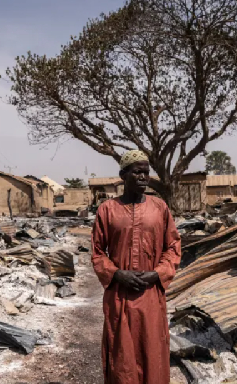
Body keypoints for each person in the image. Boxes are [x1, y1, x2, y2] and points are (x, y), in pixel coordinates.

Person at [91, 150, 181, 384]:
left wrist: (157, 273)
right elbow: (98, 252)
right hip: (119, 297)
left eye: (146, 172)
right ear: (123, 175)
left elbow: (172, 247)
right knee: (122, 358)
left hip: (151, 296)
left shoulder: (159, 208)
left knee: (152, 351)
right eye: (137, 172)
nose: (143, 177)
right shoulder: (107, 210)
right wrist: (117, 274)